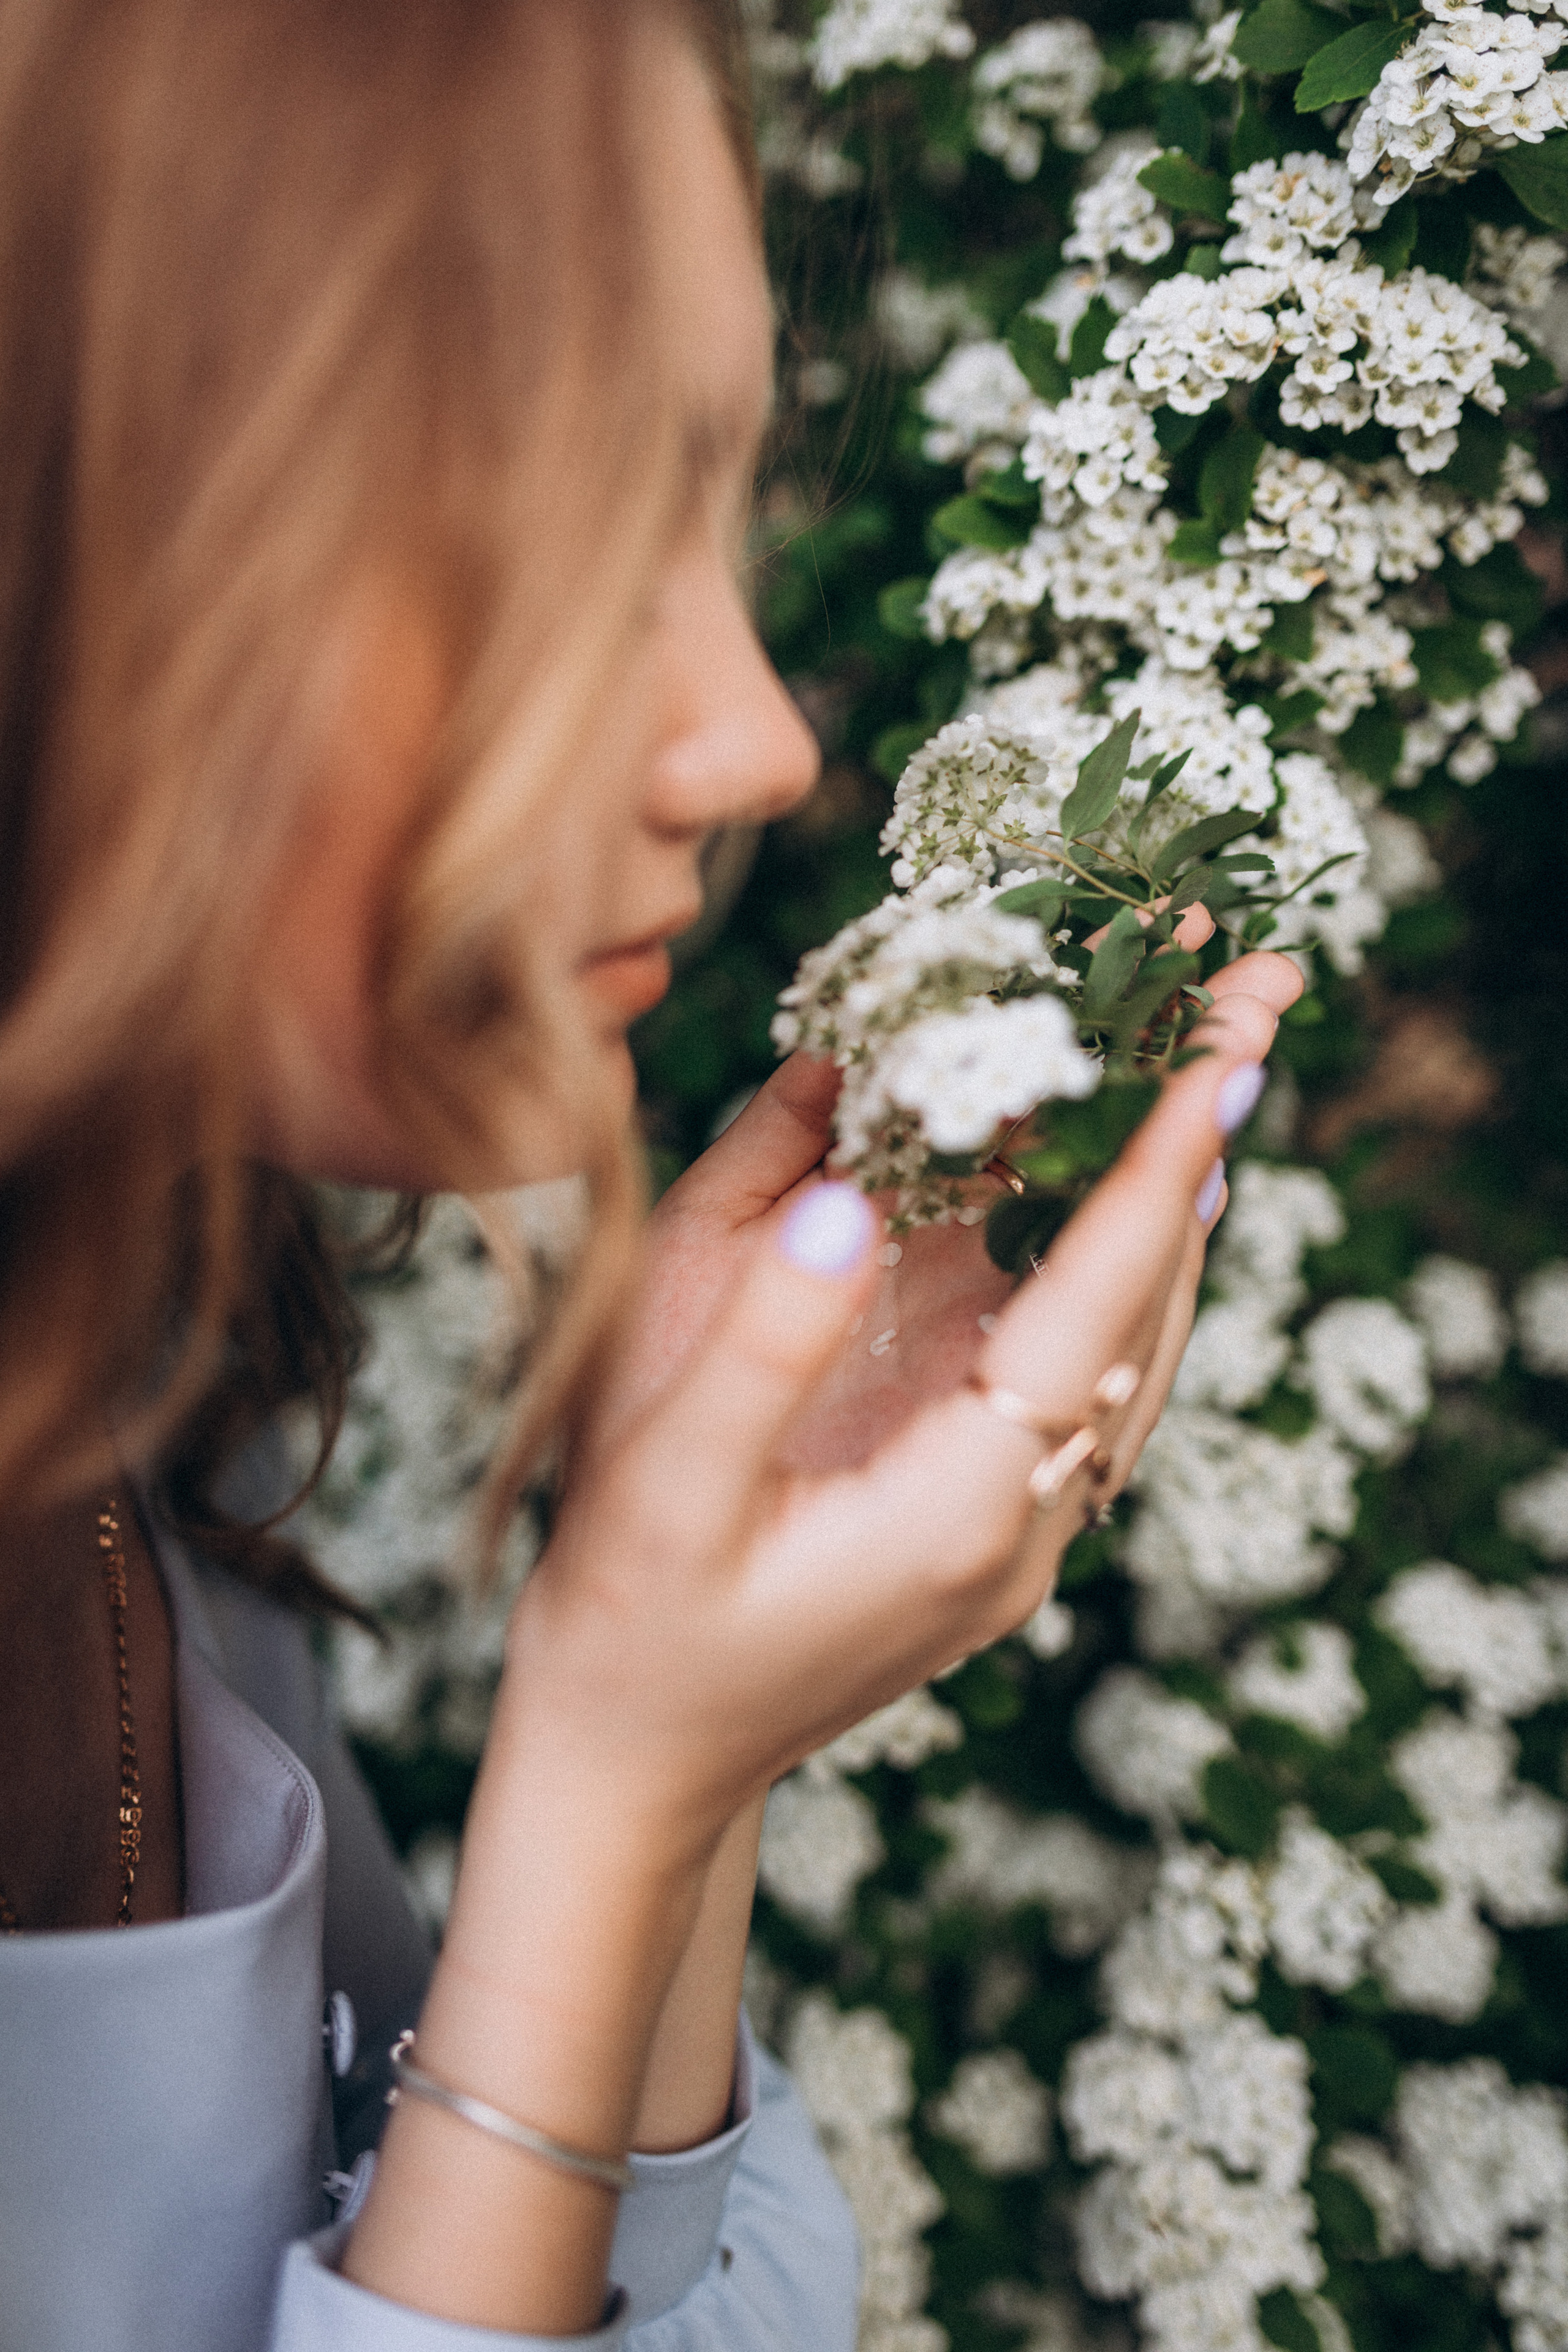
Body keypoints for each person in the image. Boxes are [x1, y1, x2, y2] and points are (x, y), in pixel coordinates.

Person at [0, 1, 1303, 2345]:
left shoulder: (130, 1350)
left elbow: (681, 2302)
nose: (756, 738)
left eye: (712, 518)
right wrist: (608, 1792)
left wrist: (678, 1705)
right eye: (565, 546)